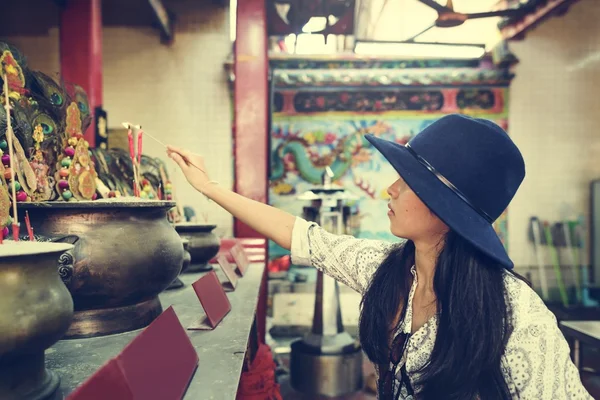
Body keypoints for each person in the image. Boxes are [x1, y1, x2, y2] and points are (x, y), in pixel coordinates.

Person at [167, 114, 592, 399]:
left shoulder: (516, 314)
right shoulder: (389, 270)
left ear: (447, 209)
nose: (391, 188)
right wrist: (209, 187)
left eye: (407, 181)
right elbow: (302, 235)